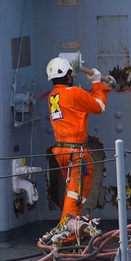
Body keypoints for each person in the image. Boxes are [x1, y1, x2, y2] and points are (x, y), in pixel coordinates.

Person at [45, 57, 112, 228]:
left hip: (61, 151)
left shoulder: (54, 96)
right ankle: (64, 235)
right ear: (68, 76)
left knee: (73, 192)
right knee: (76, 193)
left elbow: (79, 104)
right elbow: (99, 106)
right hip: (76, 153)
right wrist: (97, 83)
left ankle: (71, 229)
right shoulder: (74, 93)